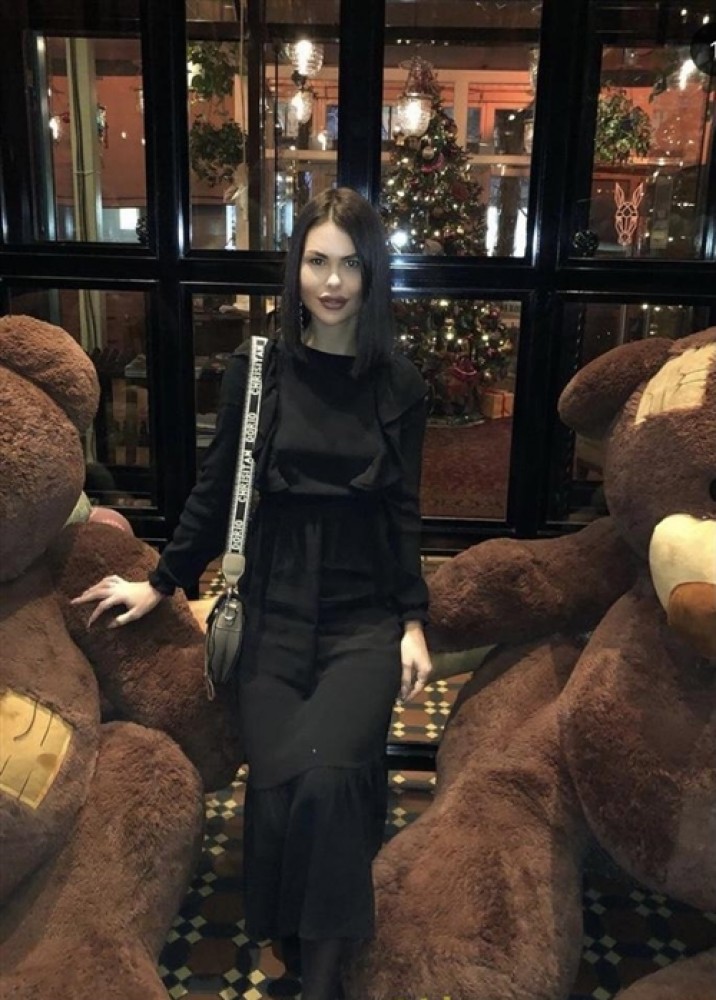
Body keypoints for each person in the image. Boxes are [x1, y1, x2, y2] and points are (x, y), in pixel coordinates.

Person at [72, 186, 433, 1000]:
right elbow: (215, 489)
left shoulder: (399, 385)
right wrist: (162, 581)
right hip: (273, 608)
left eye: (350, 265)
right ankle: (295, 942)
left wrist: (413, 620)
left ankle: (323, 980)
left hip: (362, 617)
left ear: (372, 275)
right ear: (295, 268)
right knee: (281, 788)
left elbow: (401, 514)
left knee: (332, 783)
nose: (332, 282)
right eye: (317, 261)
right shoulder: (259, 368)